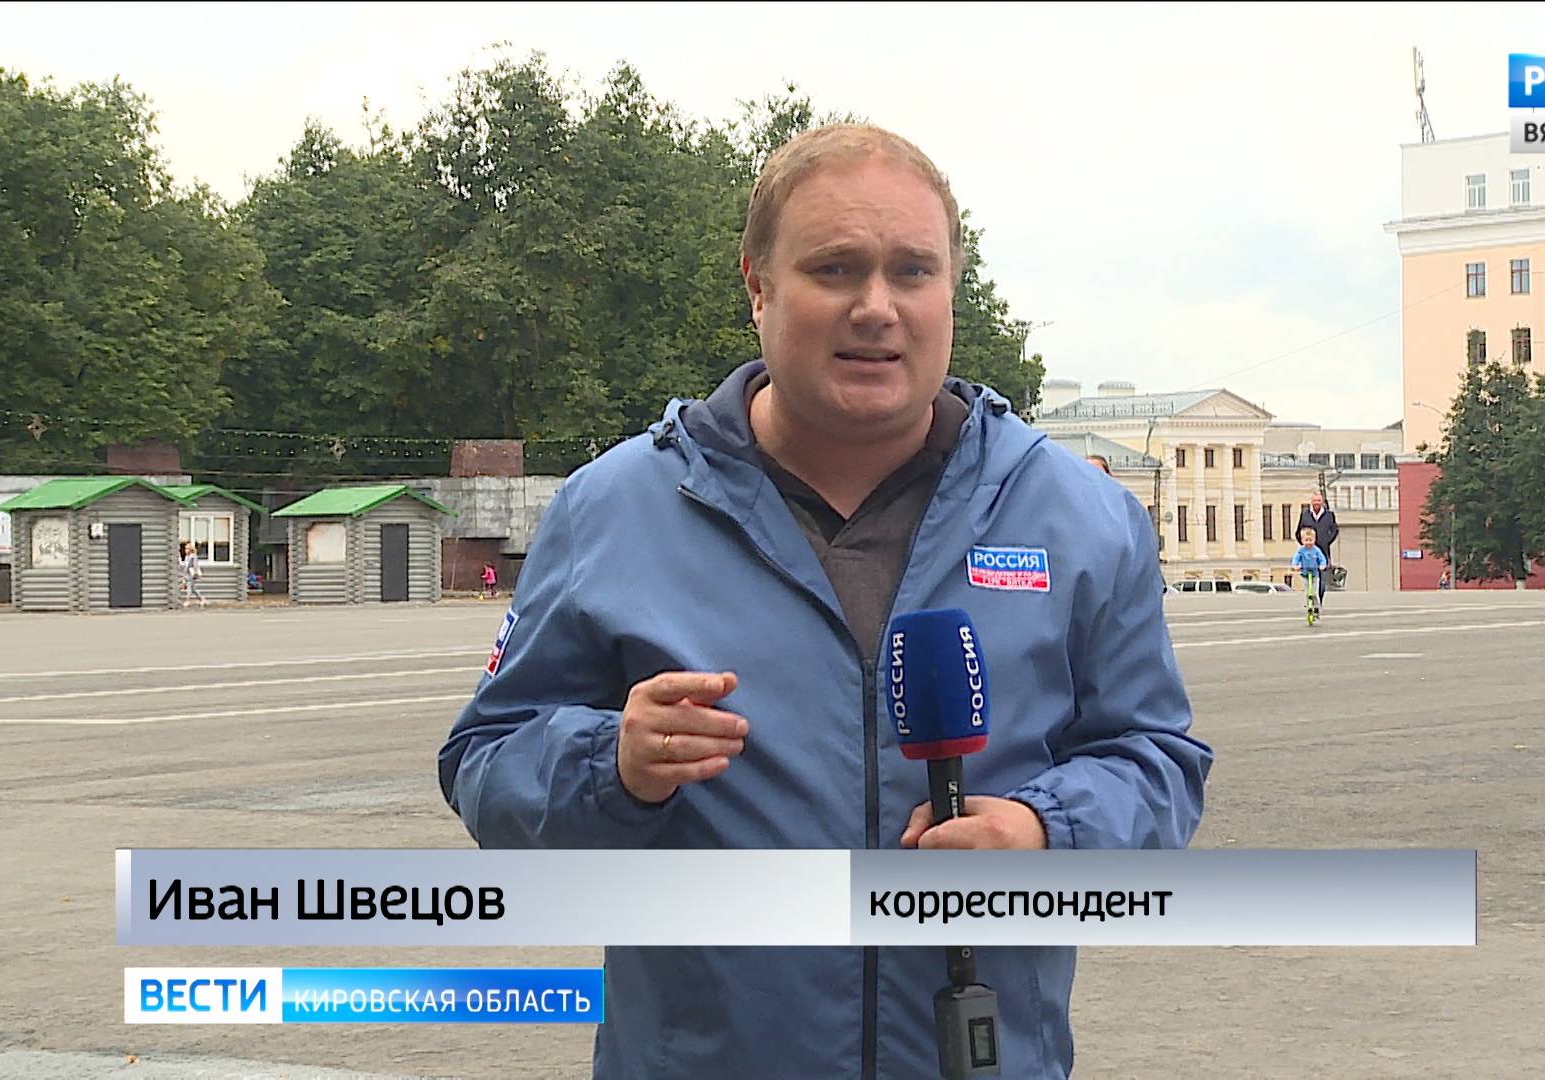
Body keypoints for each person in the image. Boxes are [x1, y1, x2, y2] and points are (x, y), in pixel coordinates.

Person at [438, 123, 1211, 1080]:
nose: (876, 308)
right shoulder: (614, 510)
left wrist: (1047, 831)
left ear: (951, 291)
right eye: (835, 269)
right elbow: (486, 764)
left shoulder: (1079, 518)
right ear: (758, 286)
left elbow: (1158, 763)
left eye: (912, 271)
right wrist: (616, 765)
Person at [1294, 490, 1338, 604]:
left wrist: (1327, 541)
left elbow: (1334, 530)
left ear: (1322, 501)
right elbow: (1298, 532)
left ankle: (1319, 602)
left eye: (1318, 500)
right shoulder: (1305, 515)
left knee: (1322, 582)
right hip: (1308, 554)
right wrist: (1305, 544)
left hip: (1323, 551)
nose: (1316, 503)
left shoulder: (1329, 515)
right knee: (1309, 580)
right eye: (1314, 501)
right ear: (1311, 502)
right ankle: (1311, 601)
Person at [1293, 526, 1329, 606]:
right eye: (1306, 540)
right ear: (1302, 540)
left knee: (1314, 592)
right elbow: (1296, 558)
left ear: (1314, 540)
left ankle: (1316, 606)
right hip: (1305, 573)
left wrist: (1322, 565)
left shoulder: (1316, 550)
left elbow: (1322, 558)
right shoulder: (1301, 550)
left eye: (1310, 540)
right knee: (1307, 592)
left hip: (1314, 573)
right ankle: (1309, 604)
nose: (1308, 542)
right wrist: (1296, 565)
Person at [180, 541, 205, 607]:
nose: (186, 550)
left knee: (189, 588)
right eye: (185, 549)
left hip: (192, 575)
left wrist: (196, 573)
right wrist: (183, 576)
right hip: (186, 575)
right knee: (194, 589)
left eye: (187, 549)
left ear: (191, 549)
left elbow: (195, 565)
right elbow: (185, 566)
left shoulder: (193, 556)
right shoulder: (186, 557)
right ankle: (202, 600)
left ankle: (187, 601)